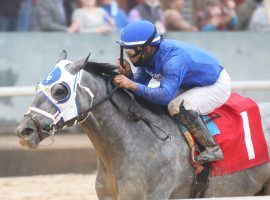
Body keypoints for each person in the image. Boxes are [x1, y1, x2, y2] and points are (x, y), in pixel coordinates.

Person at [113, 20, 231, 163]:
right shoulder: (147, 57)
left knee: (177, 106)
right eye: (126, 51)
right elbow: (141, 85)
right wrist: (130, 76)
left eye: (131, 51)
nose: (129, 57)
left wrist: (131, 84)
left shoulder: (174, 61)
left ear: (148, 48)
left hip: (215, 84)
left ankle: (213, 148)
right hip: (191, 82)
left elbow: (164, 97)